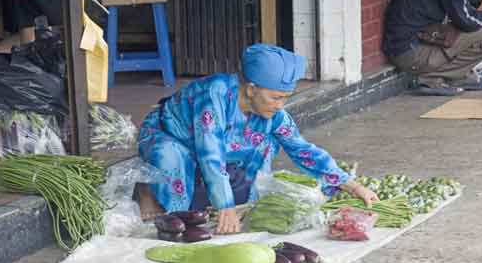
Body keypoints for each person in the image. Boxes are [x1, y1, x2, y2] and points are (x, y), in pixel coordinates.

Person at [138, 44, 379, 235]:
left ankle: (228, 197)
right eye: (275, 97)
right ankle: (147, 190)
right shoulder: (215, 94)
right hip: (171, 135)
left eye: (285, 98)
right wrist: (225, 207)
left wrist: (353, 186)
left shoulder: (273, 113)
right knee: (171, 163)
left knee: (266, 142)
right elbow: (210, 153)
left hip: (216, 146)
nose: (280, 105)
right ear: (251, 89)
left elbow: (302, 149)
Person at [383, 0, 482, 96]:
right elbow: (467, 21)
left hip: (409, 46)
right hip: (410, 54)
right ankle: (432, 79)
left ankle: (459, 75)